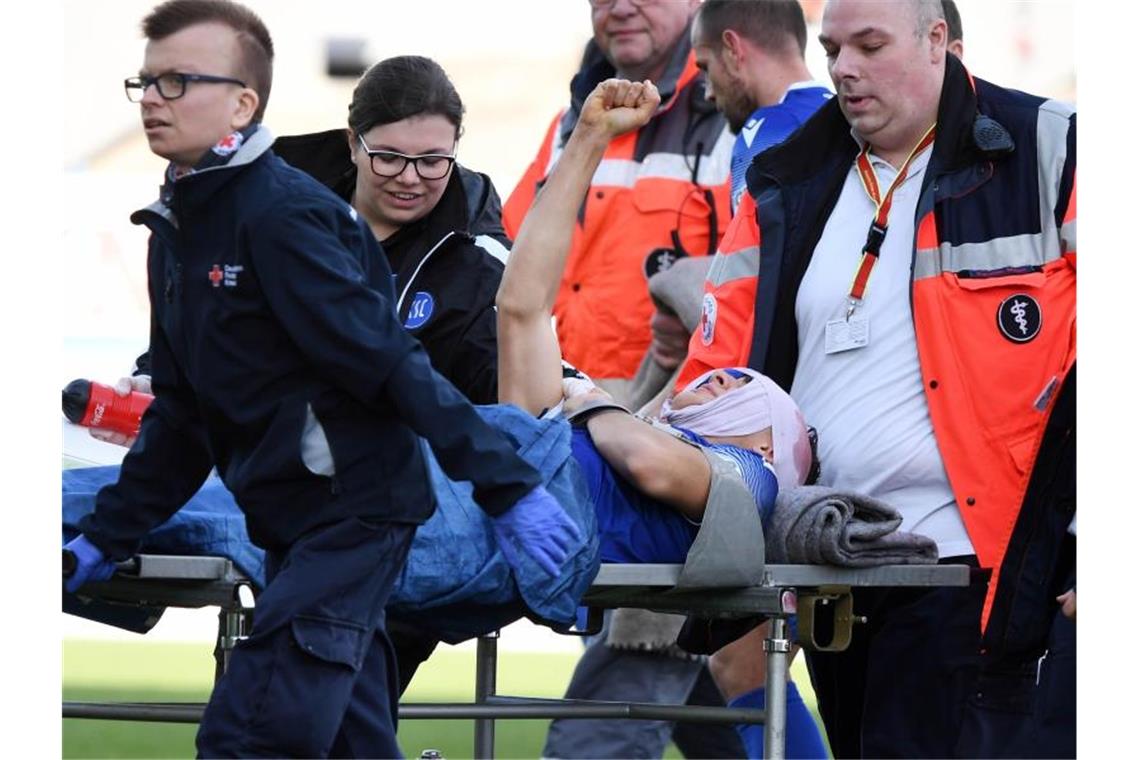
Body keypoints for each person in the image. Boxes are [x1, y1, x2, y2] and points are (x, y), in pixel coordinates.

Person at [60, 2, 582, 757]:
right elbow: (180, 419)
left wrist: (507, 488)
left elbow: (393, 367)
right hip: (290, 528)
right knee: (349, 743)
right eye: (146, 80)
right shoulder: (177, 229)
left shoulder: (283, 217)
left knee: (251, 735)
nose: (151, 98)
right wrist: (105, 537)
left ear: (244, 102)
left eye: (178, 81)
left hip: (353, 521)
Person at [676, 0, 1076, 757]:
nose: (845, 69)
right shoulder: (787, 178)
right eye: (833, 49)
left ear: (937, 42)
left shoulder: (1050, 143)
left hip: (974, 568)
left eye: (869, 44)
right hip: (828, 559)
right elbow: (715, 372)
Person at [504, 0, 733, 398]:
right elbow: (507, 253)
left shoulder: (733, 117)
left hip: (674, 419)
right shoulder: (568, 126)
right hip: (564, 403)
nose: (621, 9)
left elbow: (755, 284)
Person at [273, 55, 509, 405]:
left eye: (432, 161)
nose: (409, 178)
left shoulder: (477, 257)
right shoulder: (274, 216)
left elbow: (513, 385)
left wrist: (589, 402)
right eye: (388, 157)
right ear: (353, 144)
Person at [691, 0, 832, 212]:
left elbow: (751, 245)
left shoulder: (765, 134)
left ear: (732, 49)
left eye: (706, 67)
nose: (708, 93)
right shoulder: (844, 116)